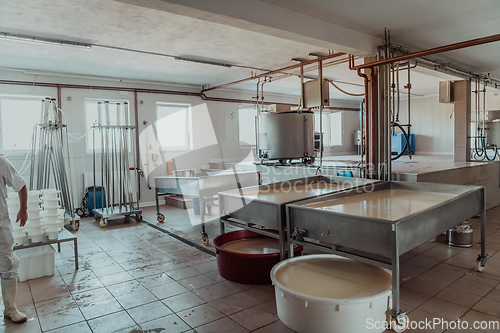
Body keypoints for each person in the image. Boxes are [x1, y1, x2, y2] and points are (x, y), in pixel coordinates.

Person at [0, 156, 27, 324]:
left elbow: (20, 184)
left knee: (8, 264)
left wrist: (23, 209)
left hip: (0, 223)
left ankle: (10, 309)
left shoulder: (1, 162)